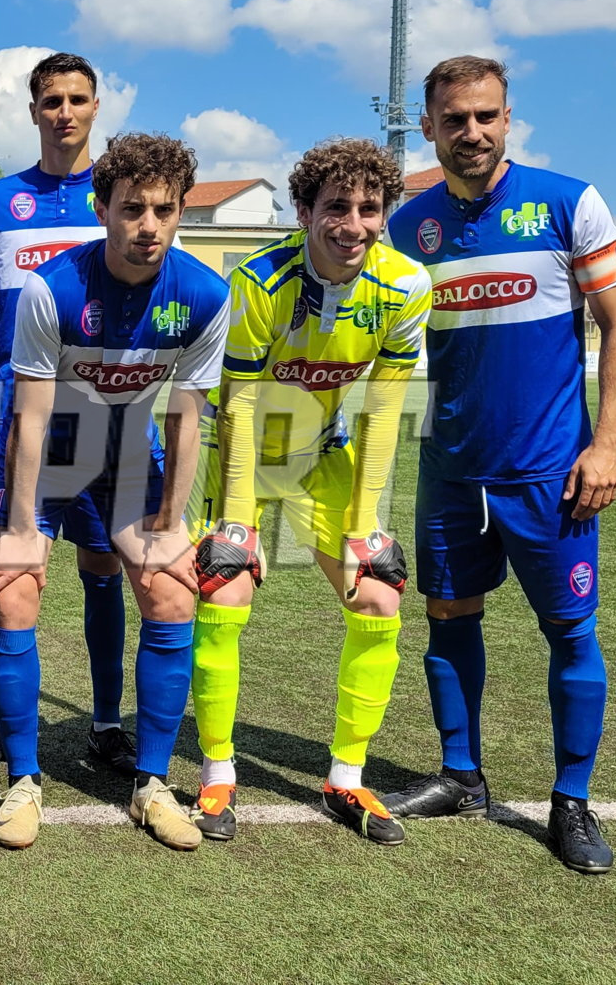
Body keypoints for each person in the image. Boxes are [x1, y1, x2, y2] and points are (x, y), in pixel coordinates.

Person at [382, 56, 616, 874]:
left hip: (551, 473)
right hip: (451, 470)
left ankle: (572, 800)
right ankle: (463, 777)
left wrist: (607, 445)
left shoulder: (568, 202)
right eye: (455, 119)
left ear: (508, 116)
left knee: (569, 631)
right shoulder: (406, 227)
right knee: (448, 619)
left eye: (487, 116)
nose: (473, 133)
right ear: (428, 125)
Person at [0, 133, 228, 852]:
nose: (147, 225)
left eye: (163, 210)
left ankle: (151, 784)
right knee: (14, 587)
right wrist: (23, 523)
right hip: (47, 451)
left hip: (125, 455)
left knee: (171, 589)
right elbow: (28, 415)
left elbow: (187, 420)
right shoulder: (52, 288)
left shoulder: (206, 295)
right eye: (131, 209)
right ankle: (23, 781)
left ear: (180, 213)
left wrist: (170, 522)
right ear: (103, 209)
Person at [187, 138, 430, 845]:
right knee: (224, 589)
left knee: (380, 591)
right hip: (241, 452)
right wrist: (236, 523)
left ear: (384, 215)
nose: (352, 224)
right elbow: (239, 404)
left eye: (369, 209)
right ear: (304, 211)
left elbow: (384, 409)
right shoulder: (261, 284)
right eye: (335, 207)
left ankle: (347, 780)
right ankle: (217, 771)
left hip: (324, 454)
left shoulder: (407, 285)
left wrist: (366, 524)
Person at [0, 51, 137, 776]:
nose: (65, 112)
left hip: (107, 418)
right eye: (52, 101)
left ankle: (106, 723)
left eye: (78, 99)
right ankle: (2, 728)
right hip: (20, 420)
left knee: (102, 568)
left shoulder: (125, 202)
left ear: (97, 107)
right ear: (34, 110)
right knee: (10, 574)